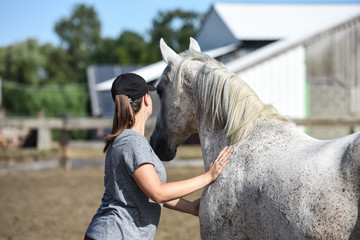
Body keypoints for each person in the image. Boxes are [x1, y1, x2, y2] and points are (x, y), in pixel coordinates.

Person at [84, 73, 231, 240]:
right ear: (146, 99)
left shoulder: (123, 139)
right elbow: (158, 193)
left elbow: (149, 189)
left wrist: (190, 207)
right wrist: (207, 177)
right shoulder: (133, 142)